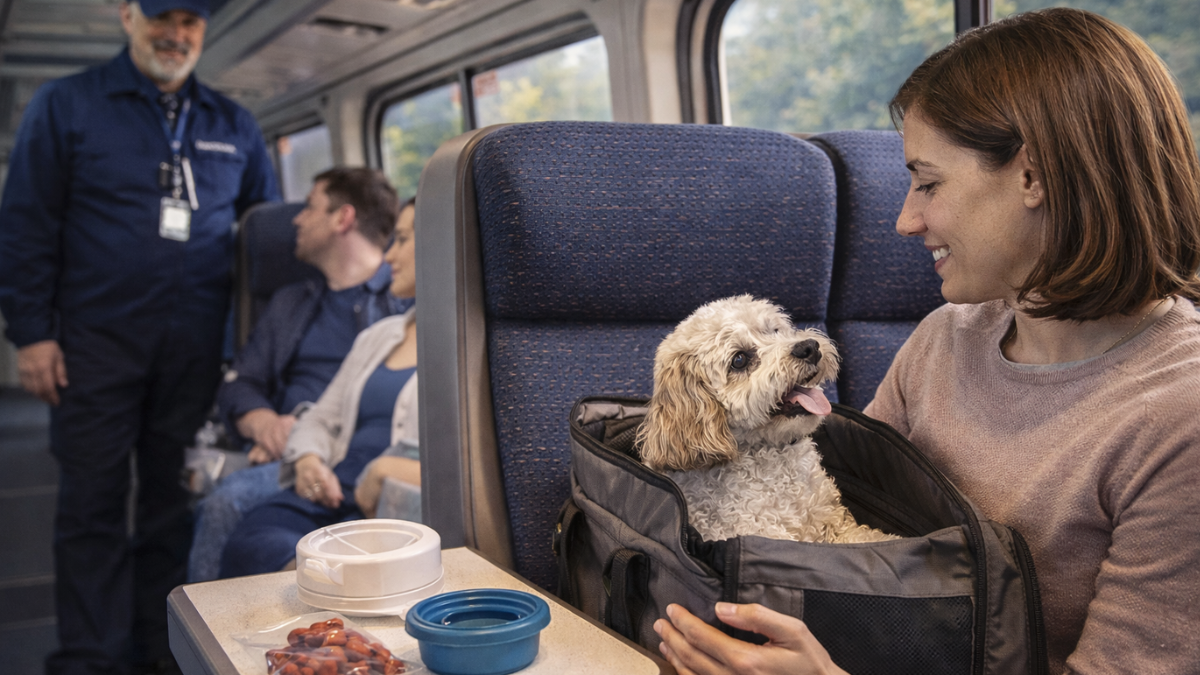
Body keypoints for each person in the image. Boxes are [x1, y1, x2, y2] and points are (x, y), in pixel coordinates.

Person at [653, 8, 1200, 675]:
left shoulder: (1179, 415)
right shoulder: (945, 339)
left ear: (1035, 175)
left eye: (929, 182)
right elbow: (845, 535)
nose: (906, 219)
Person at [0, 0, 280, 672]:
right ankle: (90, 655)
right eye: (161, 16)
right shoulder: (67, 105)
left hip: (192, 354)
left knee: (169, 508)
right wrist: (31, 333)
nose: (176, 33)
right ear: (126, 15)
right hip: (91, 348)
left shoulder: (232, 123)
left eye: (191, 21)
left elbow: (263, 242)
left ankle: (160, 649)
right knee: (92, 507)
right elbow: (25, 225)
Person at [186, 175, 412, 583]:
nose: (297, 220)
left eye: (309, 207)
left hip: (356, 452)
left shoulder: (401, 303)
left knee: (233, 503)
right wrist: (268, 425)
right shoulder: (291, 302)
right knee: (228, 503)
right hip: (288, 451)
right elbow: (239, 384)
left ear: (342, 218)